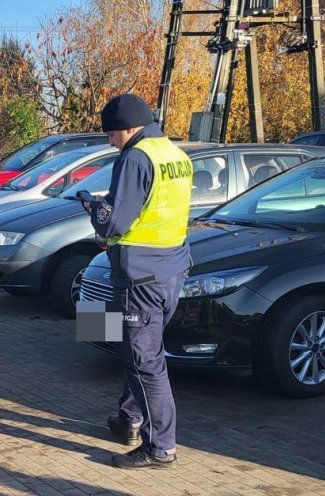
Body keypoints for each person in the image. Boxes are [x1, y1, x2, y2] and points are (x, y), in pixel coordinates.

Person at [78, 94, 192, 469]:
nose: (110, 141)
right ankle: (129, 419)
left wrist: (95, 211)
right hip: (171, 268)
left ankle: (160, 447)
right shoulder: (175, 154)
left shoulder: (134, 157)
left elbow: (115, 223)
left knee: (145, 361)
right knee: (135, 346)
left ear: (129, 128)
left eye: (112, 134)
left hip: (139, 276)